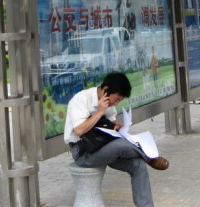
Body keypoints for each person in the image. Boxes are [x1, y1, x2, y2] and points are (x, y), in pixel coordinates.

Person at [64, 73, 169, 207]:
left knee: (138, 165)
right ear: (106, 89)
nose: (116, 103)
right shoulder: (81, 99)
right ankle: (150, 157)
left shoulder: (108, 102)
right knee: (121, 145)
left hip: (104, 147)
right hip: (84, 154)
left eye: (120, 100)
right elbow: (79, 130)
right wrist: (100, 112)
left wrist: (116, 126)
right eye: (117, 99)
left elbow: (109, 123)